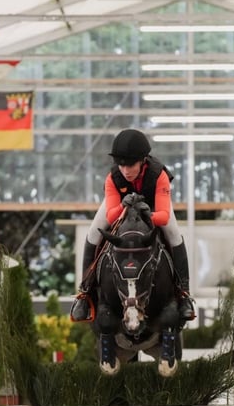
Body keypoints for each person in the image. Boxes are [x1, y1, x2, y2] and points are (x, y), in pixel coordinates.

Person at [70, 128, 196, 323]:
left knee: (174, 233)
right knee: (93, 234)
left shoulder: (159, 175)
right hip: (121, 206)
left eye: (130, 165)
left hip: (153, 207)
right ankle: (84, 294)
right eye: (121, 165)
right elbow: (111, 217)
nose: (126, 171)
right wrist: (123, 205)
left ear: (143, 160)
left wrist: (148, 215)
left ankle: (183, 294)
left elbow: (163, 216)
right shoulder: (113, 178)